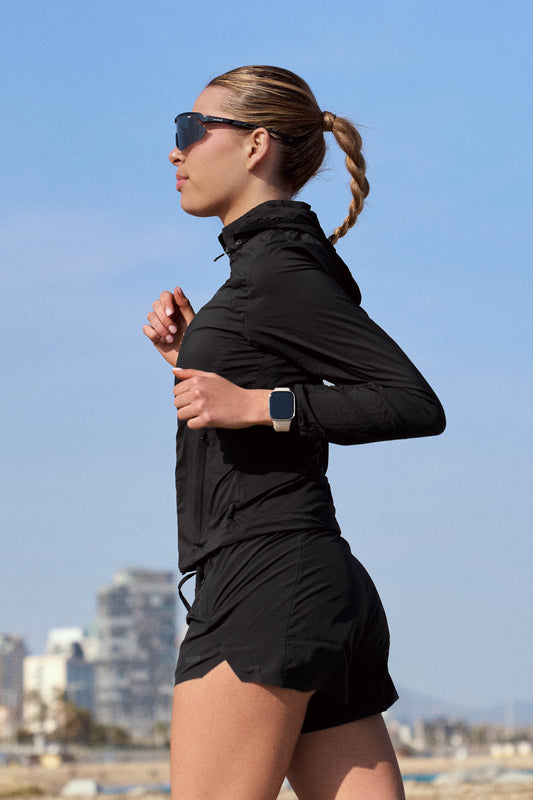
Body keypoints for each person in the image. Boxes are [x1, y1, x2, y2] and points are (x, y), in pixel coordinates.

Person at [143, 66, 445, 800]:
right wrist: (197, 362)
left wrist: (260, 405)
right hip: (308, 581)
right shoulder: (269, 269)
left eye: (191, 129)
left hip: (264, 582)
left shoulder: (277, 268)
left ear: (255, 146)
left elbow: (410, 402)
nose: (175, 150)